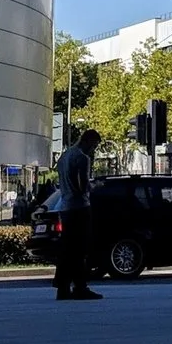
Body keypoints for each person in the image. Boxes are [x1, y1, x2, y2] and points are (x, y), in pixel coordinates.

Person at [53, 129, 101, 301]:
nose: (94, 150)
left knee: (67, 249)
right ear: (88, 141)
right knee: (80, 249)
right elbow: (83, 186)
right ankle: (80, 287)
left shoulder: (64, 156)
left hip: (65, 206)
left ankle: (63, 287)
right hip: (79, 207)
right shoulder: (82, 158)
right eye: (94, 146)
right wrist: (95, 186)